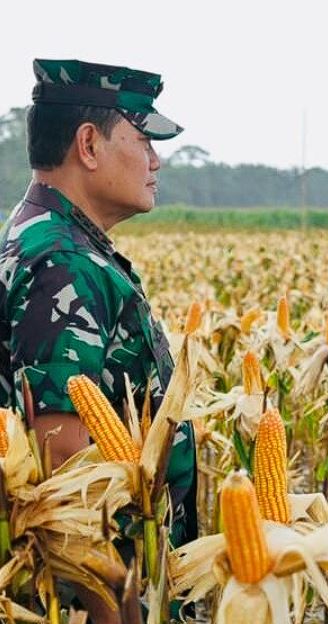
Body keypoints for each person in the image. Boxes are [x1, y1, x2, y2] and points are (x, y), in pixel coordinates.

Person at [0, 59, 197, 622]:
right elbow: (63, 463)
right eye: (143, 140)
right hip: (94, 598)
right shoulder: (62, 262)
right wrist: (118, 608)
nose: (156, 162)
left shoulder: (50, 238)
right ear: (88, 144)